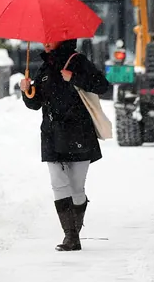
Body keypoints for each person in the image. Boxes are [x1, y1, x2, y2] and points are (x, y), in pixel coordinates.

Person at [20, 39, 110, 251]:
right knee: (58, 183)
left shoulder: (78, 61)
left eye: (51, 38)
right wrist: (27, 91)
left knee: (77, 189)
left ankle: (74, 232)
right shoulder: (45, 67)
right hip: (52, 134)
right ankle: (70, 235)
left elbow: (103, 86)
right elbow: (35, 103)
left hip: (78, 133)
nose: (46, 42)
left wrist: (74, 78)